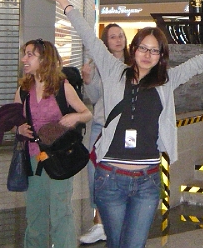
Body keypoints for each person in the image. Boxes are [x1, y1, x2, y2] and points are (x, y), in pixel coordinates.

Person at [47, 0, 203, 248]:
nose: (147, 54)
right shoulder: (113, 71)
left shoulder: (166, 81)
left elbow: (202, 60)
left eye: (155, 50)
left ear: (161, 55)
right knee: (116, 244)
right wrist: (66, 5)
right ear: (134, 49)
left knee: (136, 245)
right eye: (143, 48)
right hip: (111, 179)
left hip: (147, 181)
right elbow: (90, 39)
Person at [15, 38, 92, 248]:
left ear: (44, 59)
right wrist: (19, 128)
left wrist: (74, 118)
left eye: (30, 54)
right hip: (33, 157)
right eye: (25, 54)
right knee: (35, 211)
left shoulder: (62, 88)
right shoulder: (24, 89)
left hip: (58, 156)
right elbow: (14, 119)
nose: (24, 59)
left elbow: (86, 113)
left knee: (60, 211)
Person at [79, 23, 129, 245]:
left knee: (122, 174)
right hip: (102, 125)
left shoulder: (134, 63)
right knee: (95, 174)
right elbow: (94, 96)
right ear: (105, 41)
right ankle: (99, 223)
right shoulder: (99, 63)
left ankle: (116, 222)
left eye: (121, 36)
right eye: (113, 37)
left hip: (127, 127)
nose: (118, 40)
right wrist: (88, 80)